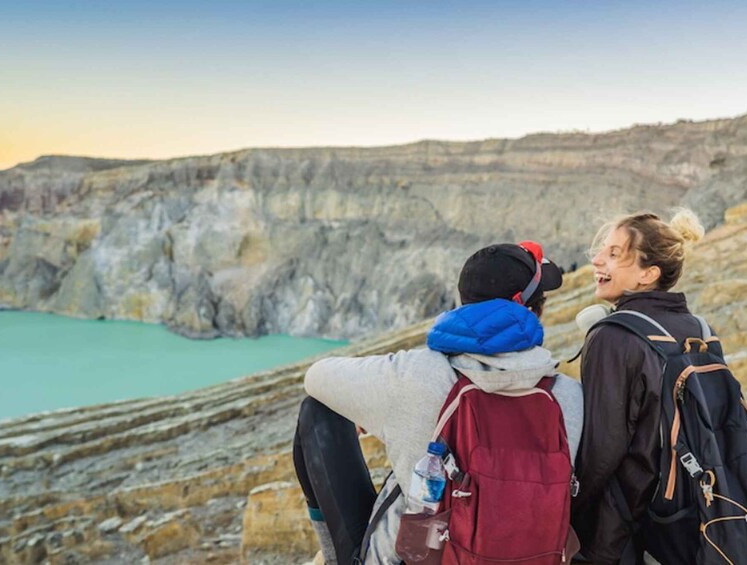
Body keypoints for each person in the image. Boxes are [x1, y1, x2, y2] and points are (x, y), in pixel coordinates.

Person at [292, 241, 584, 565]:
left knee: (317, 410)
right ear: (531, 312)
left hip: (422, 556)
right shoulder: (568, 396)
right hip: (536, 556)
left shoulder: (414, 374)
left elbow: (316, 377)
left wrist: (371, 412)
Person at [571, 210, 707, 564]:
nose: (597, 260)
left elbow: (601, 451)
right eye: (602, 250)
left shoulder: (613, 335)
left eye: (615, 254)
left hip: (622, 533)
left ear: (649, 274)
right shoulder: (698, 328)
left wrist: (569, 508)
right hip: (690, 519)